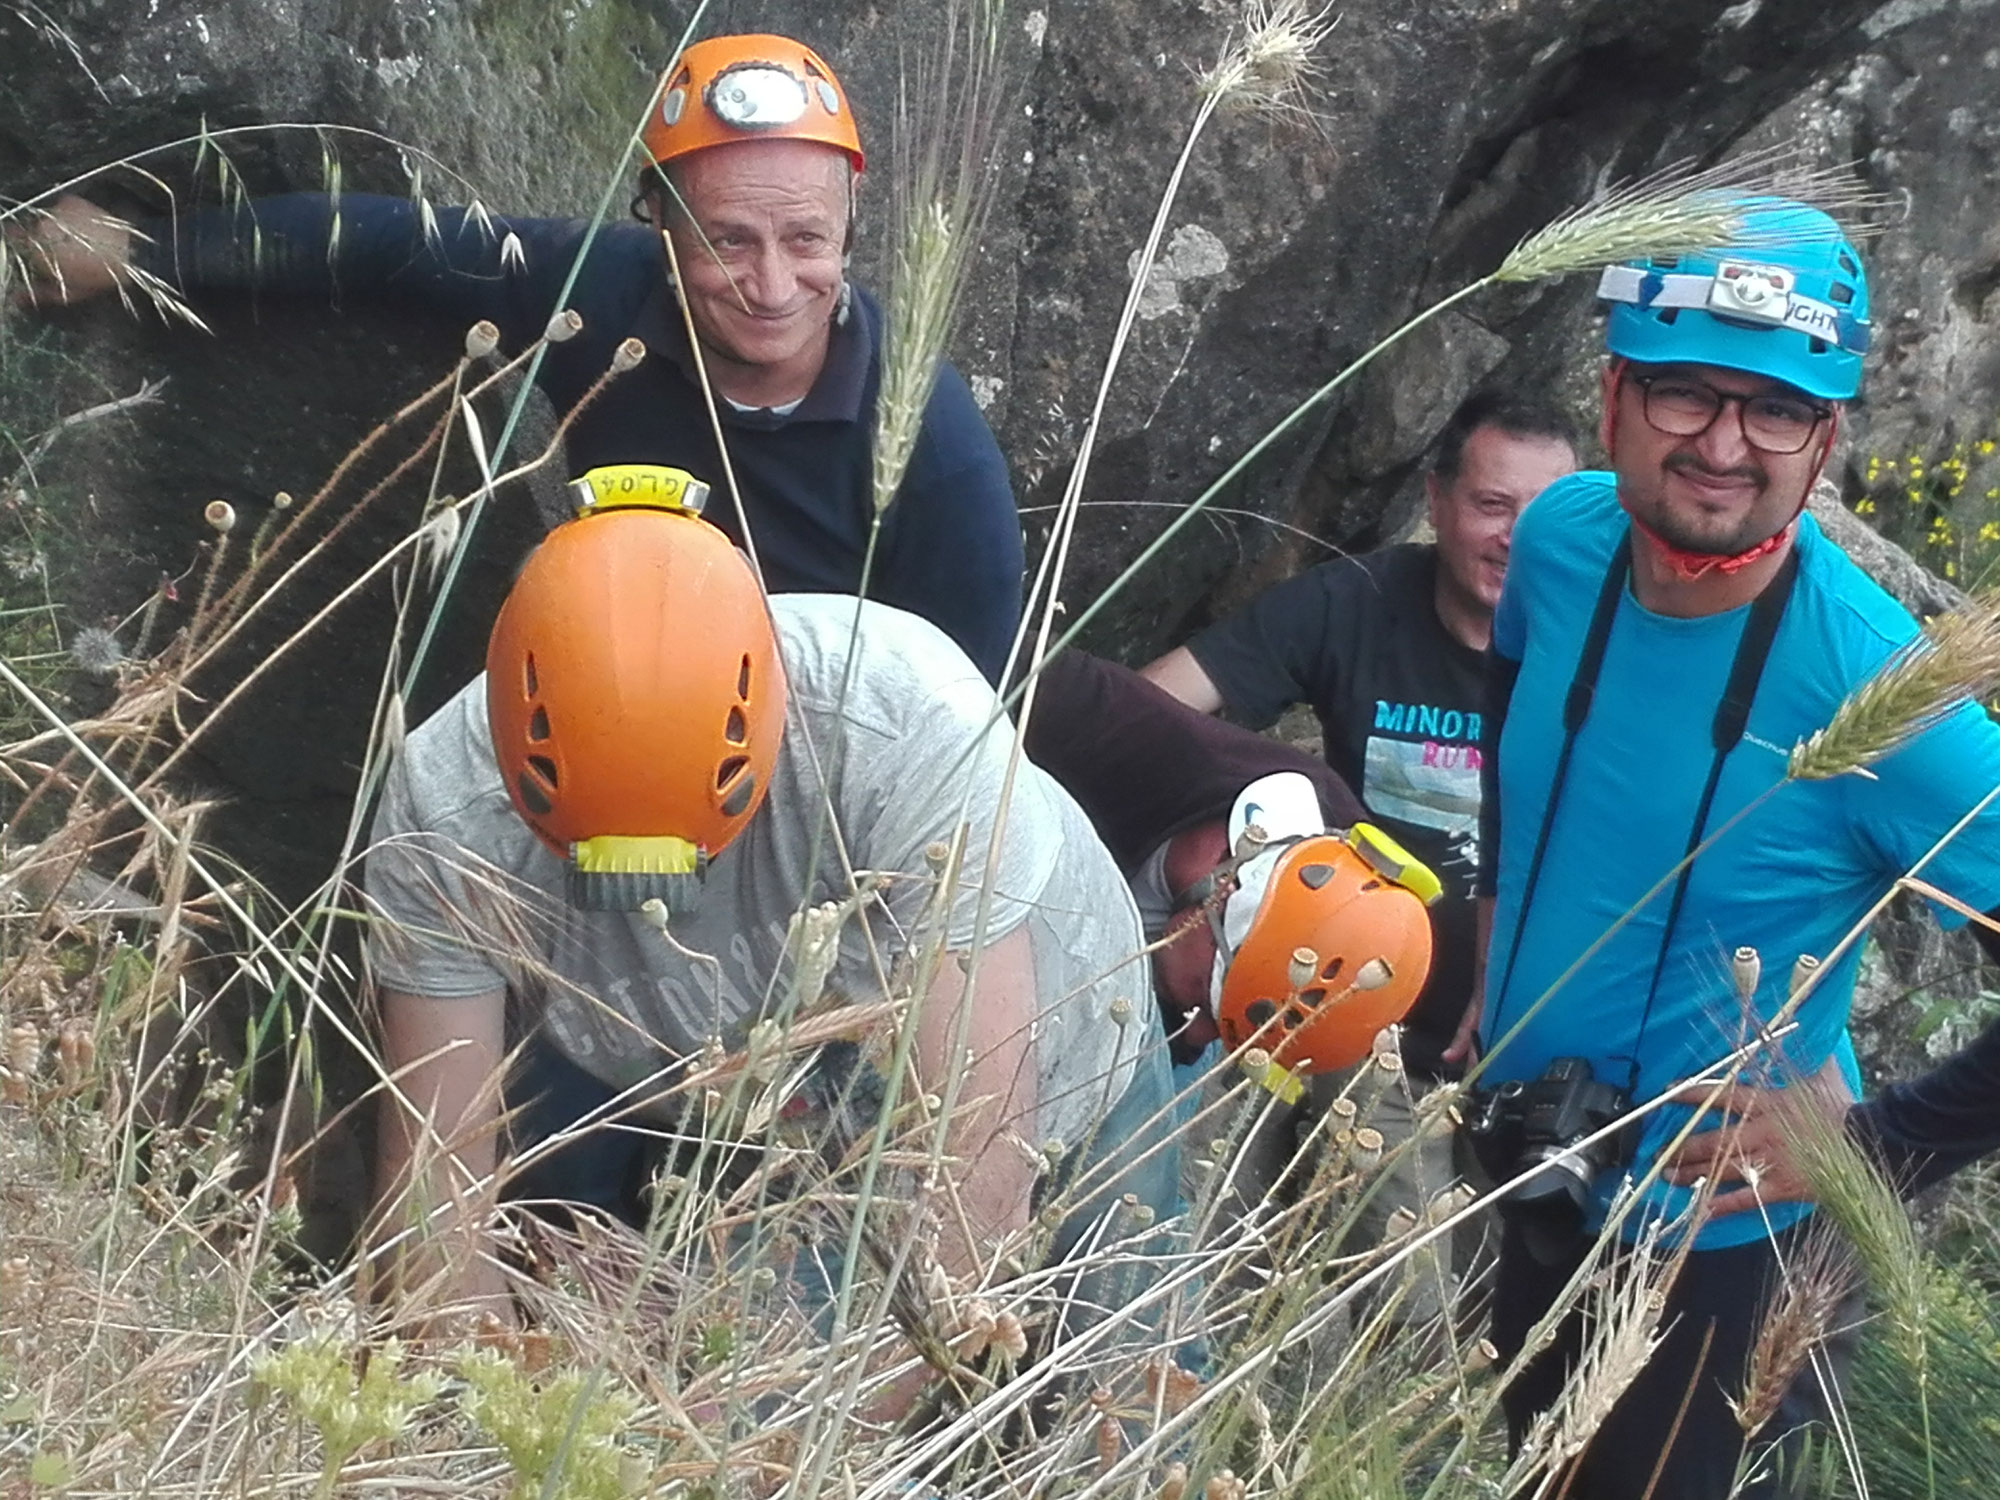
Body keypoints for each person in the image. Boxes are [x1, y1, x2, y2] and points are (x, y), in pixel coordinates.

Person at [363, 467, 1173, 1367]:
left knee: (1132, 1399)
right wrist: (474, 1401)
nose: (652, 902)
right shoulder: (446, 806)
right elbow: (438, 1205)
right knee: (717, 1392)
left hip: (1055, 1060)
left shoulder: (904, 727)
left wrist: (806, 1451)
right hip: (758, 1120)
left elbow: (973, 1214)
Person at [1469, 198, 2000, 1499]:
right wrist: (1495, 965)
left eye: (1774, 410)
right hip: (1528, 1167)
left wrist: (1877, 1148)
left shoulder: (1889, 694)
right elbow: (1517, 729)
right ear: (1612, 398)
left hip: (1716, 1267)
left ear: (1824, 439)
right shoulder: (1559, 539)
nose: (1724, 444)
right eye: (1686, 395)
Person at [11, 33, 1025, 683]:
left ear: (850, 228)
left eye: (804, 240)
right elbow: (390, 241)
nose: (768, 284)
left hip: (827, 771)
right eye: (725, 240)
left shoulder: (931, 449)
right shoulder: (605, 291)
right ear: (659, 226)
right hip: (610, 697)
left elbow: (961, 710)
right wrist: (148, 254)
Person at [1141, 389, 1578, 1084]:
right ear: (1435, 502)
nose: (1516, 539)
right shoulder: (1355, 601)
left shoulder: (1609, 647)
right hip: (1330, 999)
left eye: (1544, 518)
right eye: (1492, 506)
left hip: (1521, 1026)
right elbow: (1148, 709)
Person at [1024, 650, 1456, 1314]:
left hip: (1093, 978)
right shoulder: (1095, 726)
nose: (1197, 1034)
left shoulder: (1322, 925)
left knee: (1130, 1229)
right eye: (1205, 1000)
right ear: (1221, 886)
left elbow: (1188, 1037)